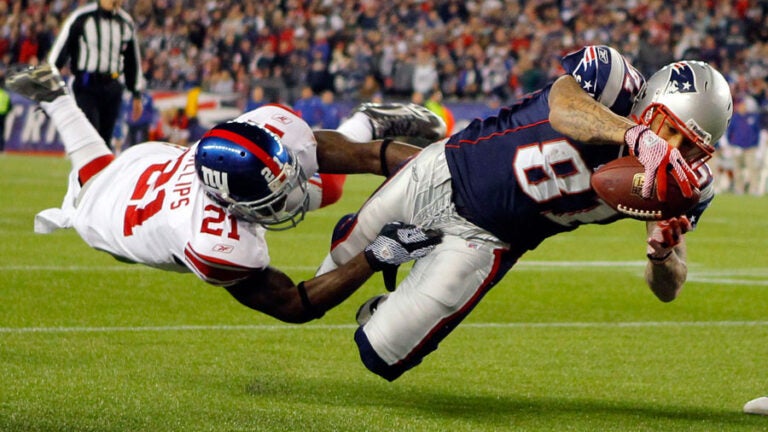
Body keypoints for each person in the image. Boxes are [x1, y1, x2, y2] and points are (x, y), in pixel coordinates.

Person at [317, 46, 733, 381]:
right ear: (649, 102)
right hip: (452, 169)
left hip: (491, 240)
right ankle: (370, 178)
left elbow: (669, 288)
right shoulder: (612, 79)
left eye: (689, 146)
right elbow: (563, 108)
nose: (673, 148)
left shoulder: (682, 183)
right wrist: (634, 134)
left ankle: (398, 292)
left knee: (380, 355)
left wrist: (662, 255)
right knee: (336, 262)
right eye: (669, 129)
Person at [5, 63, 446, 323]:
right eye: (270, 196)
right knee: (93, 184)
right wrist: (375, 256)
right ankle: (57, 97)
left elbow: (358, 156)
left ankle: (366, 121)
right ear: (232, 204)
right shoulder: (213, 243)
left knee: (322, 182)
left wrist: (447, 170)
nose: (288, 195)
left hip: (151, 164)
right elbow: (292, 304)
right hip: (119, 213)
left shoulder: (253, 134)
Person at [47, 0, 145, 149]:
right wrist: (50, 78)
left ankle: (101, 164)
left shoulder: (125, 22)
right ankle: (86, 162)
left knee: (105, 140)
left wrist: (136, 93)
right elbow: (61, 49)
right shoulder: (82, 17)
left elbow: (132, 59)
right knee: (91, 134)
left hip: (113, 84)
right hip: (86, 85)